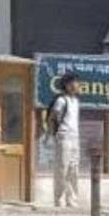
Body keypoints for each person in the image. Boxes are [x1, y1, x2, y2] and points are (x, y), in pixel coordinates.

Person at [47, 72, 82, 208]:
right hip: (64, 136)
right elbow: (52, 117)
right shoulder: (62, 100)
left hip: (75, 137)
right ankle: (59, 199)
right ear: (66, 85)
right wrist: (52, 134)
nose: (75, 85)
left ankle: (72, 199)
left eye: (77, 82)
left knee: (74, 170)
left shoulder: (76, 101)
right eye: (72, 82)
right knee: (62, 169)